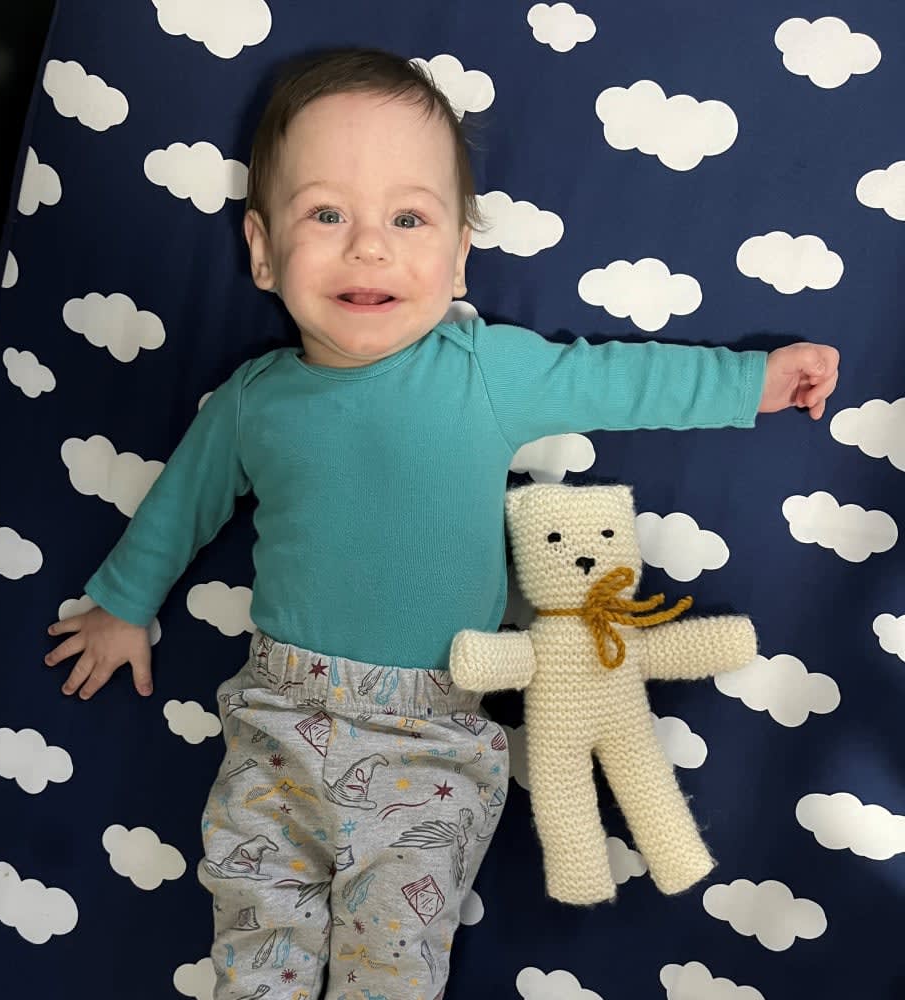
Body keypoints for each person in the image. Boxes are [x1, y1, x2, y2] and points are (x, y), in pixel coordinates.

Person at [44, 48, 839, 1000]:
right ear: (261, 249)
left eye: (407, 218)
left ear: (459, 253)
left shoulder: (482, 369)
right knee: (255, 949)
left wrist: (755, 382)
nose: (369, 248)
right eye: (326, 214)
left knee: (395, 969)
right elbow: (180, 505)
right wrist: (121, 604)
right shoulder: (253, 402)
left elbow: (621, 377)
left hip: (430, 746)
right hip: (277, 724)